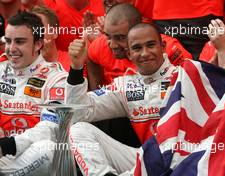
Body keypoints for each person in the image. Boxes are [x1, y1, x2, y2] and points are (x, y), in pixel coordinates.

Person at [67, 22, 177, 175]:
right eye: (137, 48)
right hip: (144, 162)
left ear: (163, 46)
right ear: (129, 54)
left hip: (182, 162)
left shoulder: (186, 75)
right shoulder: (125, 85)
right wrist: (76, 67)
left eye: (150, 45)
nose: (144, 53)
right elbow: (78, 113)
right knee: (78, 129)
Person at [86, 3, 191, 90]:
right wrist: (97, 91)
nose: (112, 45)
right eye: (108, 36)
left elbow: (191, 78)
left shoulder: (166, 48)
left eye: (120, 38)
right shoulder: (101, 45)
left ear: (137, 31)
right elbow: (90, 58)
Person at [0, 11, 67, 137]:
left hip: (36, 151)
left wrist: (10, 145)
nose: (11, 48)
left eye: (19, 42)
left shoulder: (57, 79)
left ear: (38, 44)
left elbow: (51, 130)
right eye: (8, 41)